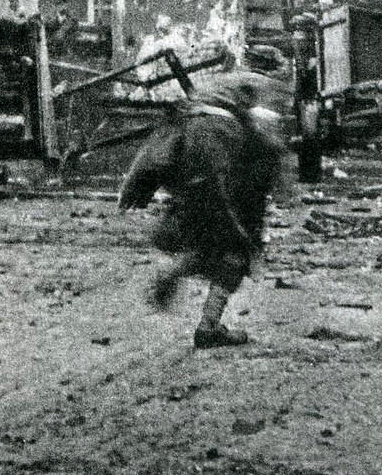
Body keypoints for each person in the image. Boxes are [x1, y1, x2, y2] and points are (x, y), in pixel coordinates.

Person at [118, 72, 285, 349]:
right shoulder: (264, 87)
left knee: (207, 231)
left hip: (190, 137)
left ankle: (177, 274)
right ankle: (208, 326)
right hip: (219, 139)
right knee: (236, 244)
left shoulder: (226, 82)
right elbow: (265, 145)